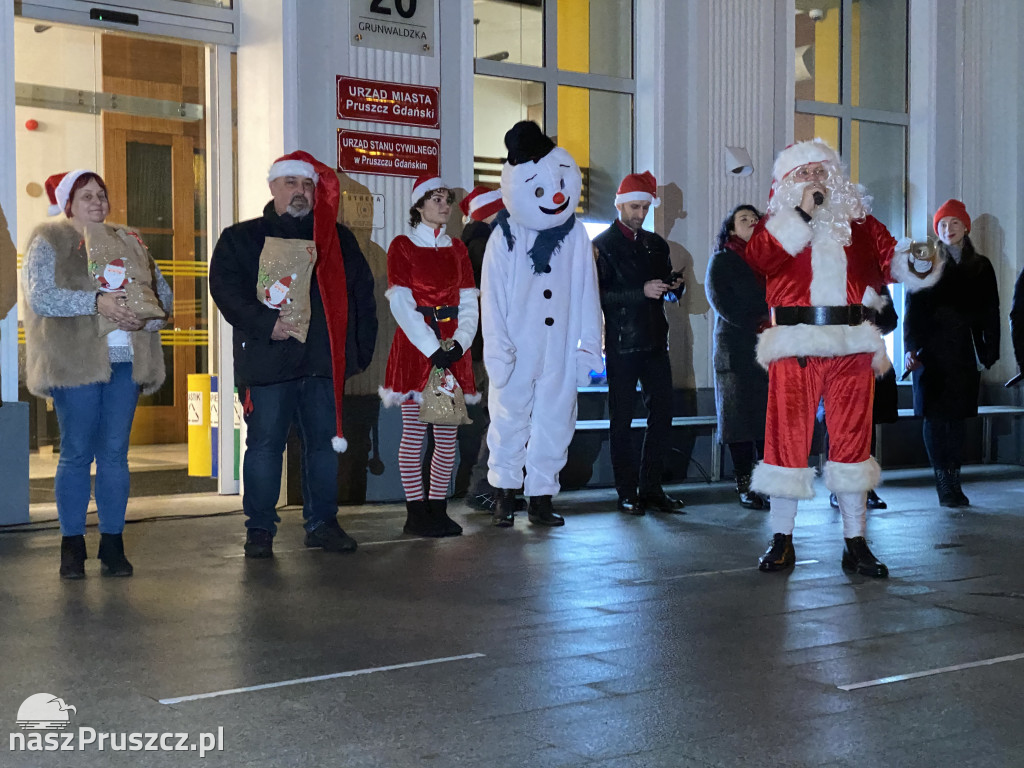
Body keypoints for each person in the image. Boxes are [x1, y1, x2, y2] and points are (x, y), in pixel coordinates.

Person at [744, 138, 940, 578]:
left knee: (853, 441)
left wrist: (920, 260)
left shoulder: (863, 224)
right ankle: (782, 539)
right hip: (796, 343)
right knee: (786, 440)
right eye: (806, 173)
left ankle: (856, 542)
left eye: (822, 172)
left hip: (851, 343)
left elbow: (894, 260)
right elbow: (760, 259)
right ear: (789, 183)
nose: (817, 180)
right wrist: (802, 215)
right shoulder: (776, 224)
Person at [209, 151, 377, 558]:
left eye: (307, 185)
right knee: (265, 447)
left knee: (322, 447)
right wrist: (268, 324)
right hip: (267, 364)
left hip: (320, 365)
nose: (300, 192)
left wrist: (355, 356)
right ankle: (260, 530)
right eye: (291, 184)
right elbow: (225, 291)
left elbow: (361, 299)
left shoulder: (337, 241)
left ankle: (323, 523)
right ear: (272, 187)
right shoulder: (241, 238)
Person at [22, 169, 172, 578]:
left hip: (126, 360)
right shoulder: (48, 241)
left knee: (114, 455)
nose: (98, 202)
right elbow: (42, 297)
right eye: (86, 195)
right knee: (75, 454)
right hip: (76, 364)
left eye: (102, 195)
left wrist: (147, 319)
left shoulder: (128, 238)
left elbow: (162, 295)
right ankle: (72, 546)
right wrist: (97, 302)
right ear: (68, 202)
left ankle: (112, 544)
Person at [481, 121, 603, 527]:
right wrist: (497, 348)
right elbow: (492, 299)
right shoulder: (505, 236)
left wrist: (589, 347)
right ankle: (503, 492)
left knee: (556, 419)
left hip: (561, 349)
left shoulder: (577, 236)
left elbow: (588, 294)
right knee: (509, 417)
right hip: (518, 346)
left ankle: (541, 496)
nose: (552, 197)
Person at [378, 175, 479, 537]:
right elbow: (402, 301)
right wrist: (431, 347)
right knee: (414, 434)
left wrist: (460, 342)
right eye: (436, 199)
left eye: (447, 200)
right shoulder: (402, 245)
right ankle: (415, 512)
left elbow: (468, 298)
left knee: (447, 437)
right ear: (419, 205)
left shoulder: (457, 249)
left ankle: (437, 509)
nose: (444, 206)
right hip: (417, 350)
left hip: (451, 349)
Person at [593, 171, 685, 515]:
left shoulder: (655, 243)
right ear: (619, 204)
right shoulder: (603, 245)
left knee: (663, 414)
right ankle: (626, 491)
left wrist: (674, 288)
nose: (640, 213)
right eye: (635, 206)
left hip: (653, 339)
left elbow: (662, 285)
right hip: (621, 342)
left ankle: (650, 487)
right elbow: (597, 295)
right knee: (622, 419)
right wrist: (640, 292)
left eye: (645, 207)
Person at [904, 200, 999, 507]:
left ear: (965, 227)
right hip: (929, 354)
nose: (948, 229)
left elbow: (990, 311)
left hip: (962, 352)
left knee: (957, 419)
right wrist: (909, 348)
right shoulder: (925, 262)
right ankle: (942, 480)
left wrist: (990, 349)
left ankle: (954, 478)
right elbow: (912, 310)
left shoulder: (981, 266)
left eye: (954, 223)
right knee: (934, 418)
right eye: (943, 225)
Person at [705, 204, 770, 510]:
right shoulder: (723, 259)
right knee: (740, 423)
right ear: (731, 229)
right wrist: (759, 320)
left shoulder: (769, 261)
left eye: (756, 218)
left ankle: (765, 484)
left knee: (764, 422)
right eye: (744, 220)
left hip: (767, 350)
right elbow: (721, 302)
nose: (752, 222)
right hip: (736, 350)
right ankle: (745, 485)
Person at [456, 186, 507, 511]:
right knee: (497, 418)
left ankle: (482, 486)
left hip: (475, 347)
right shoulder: (486, 244)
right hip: (489, 346)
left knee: (487, 418)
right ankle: (483, 487)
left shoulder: (468, 243)